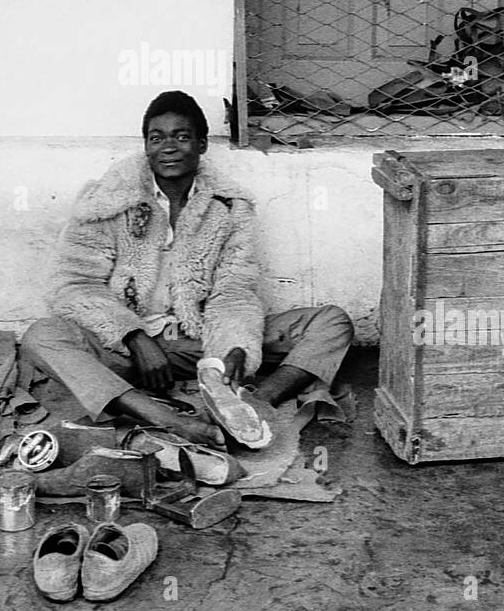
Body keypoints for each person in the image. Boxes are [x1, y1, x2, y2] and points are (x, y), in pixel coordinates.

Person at [20, 91, 353, 449]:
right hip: (125, 348)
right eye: (157, 138)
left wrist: (235, 347)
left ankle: (247, 406)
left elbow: (234, 290)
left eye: (181, 136)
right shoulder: (107, 202)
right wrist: (134, 337)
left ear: (202, 144)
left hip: (199, 339)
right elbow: (73, 285)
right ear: (146, 146)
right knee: (42, 335)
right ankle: (170, 420)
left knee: (331, 322)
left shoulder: (229, 207)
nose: (169, 147)